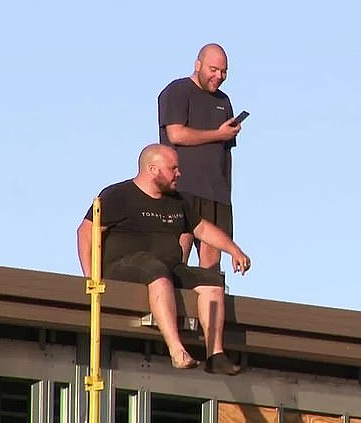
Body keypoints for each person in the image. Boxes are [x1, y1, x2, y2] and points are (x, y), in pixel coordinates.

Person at [77, 144, 251, 375]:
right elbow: (86, 232)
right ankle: (177, 351)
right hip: (125, 267)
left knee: (212, 281)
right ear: (152, 169)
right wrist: (91, 277)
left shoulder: (178, 201)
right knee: (155, 269)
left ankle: (215, 354)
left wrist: (234, 250)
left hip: (168, 269)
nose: (179, 174)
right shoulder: (118, 195)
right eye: (173, 169)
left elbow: (202, 229)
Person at [157, 43, 242, 272]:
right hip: (184, 186)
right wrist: (218, 134)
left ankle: (209, 304)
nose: (219, 76)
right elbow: (176, 134)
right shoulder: (178, 91)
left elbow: (224, 152)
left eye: (223, 71)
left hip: (217, 193)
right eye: (213, 69)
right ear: (198, 65)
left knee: (211, 265)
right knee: (178, 253)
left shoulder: (224, 101)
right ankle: (174, 300)